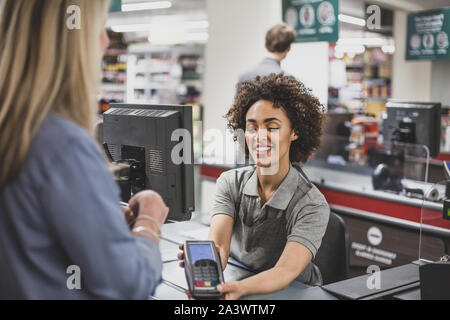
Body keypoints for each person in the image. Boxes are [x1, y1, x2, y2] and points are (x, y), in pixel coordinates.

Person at [0, 0, 168, 299]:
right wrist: (149, 221)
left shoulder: (17, 131)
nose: (104, 40)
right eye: (100, 28)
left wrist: (97, 213)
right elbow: (128, 283)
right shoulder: (63, 145)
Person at [179, 73, 330, 300]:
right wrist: (207, 261)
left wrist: (239, 289)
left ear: (295, 132)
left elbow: (285, 270)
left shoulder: (311, 203)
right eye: (252, 127)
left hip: (297, 292)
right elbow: (219, 245)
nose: (259, 136)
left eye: (272, 127)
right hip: (245, 280)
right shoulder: (230, 183)